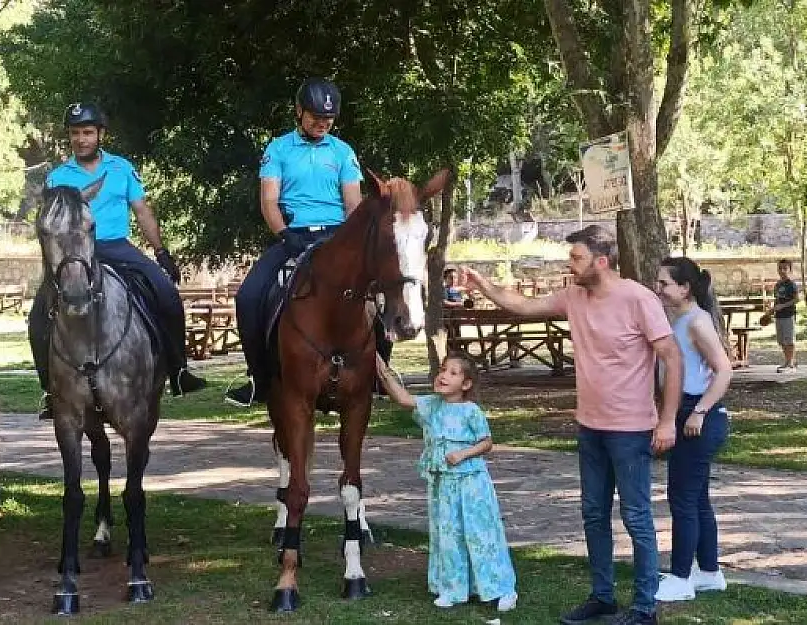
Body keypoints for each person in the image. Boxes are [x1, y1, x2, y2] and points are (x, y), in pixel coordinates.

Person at [460, 225, 682, 625]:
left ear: (601, 261)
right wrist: (485, 286)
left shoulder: (638, 298)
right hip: (589, 426)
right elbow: (524, 306)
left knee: (636, 517)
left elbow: (672, 356)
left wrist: (667, 421)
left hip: (631, 429)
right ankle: (603, 597)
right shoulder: (573, 296)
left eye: (576, 258)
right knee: (594, 515)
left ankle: (645, 606)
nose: (570, 264)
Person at [29, 103, 207, 420]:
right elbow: (49, 226)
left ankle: (179, 370)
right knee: (37, 318)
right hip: (73, 255)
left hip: (116, 246)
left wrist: (161, 252)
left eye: (87, 132)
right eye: (75, 134)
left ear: (100, 134)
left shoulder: (122, 169)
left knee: (166, 293)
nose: (81, 139)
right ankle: (50, 390)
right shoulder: (57, 177)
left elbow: (142, 211)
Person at [225, 78, 365, 407]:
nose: (322, 123)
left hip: (337, 236)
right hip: (293, 235)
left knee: (379, 293)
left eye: (328, 119)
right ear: (299, 111)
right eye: (315, 116)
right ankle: (258, 379)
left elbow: (354, 205)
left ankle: (377, 375)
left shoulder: (343, 152)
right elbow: (269, 201)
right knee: (248, 297)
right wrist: (285, 235)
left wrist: (352, 243)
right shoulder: (278, 149)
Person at [375, 352, 518, 612]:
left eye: (453, 373)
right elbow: (404, 399)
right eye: (442, 370)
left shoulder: (470, 411)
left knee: (480, 534)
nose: (443, 376)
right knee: (448, 535)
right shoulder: (432, 405)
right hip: (444, 486)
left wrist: (463, 454)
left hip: (471, 484)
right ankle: (453, 588)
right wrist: (383, 371)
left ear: (466, 385)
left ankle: (501, 588)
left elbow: (487, 442)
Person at [652, 257, 732, 602]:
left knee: (682, 498)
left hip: (697, 414)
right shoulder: (681, 319)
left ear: (684, 288)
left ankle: (682, 577)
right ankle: (710, 572)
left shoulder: (697, 322)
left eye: (664, 283)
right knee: (696, 498)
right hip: (685, 411)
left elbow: (725, 370)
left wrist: (700, 411)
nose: (659, 289)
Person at [771, 259, 800, 372]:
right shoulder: (777, 285)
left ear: (790, 270)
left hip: (788, 315)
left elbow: (797, 299)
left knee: (789, 340)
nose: (782, 271)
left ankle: (791, 362)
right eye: (780, 268)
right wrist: (772, 310)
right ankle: (788, 360)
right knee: (781, 340)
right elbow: (777, 299)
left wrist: (783, 306)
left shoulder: (791, 284)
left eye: (785, 268)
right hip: (778, 315)